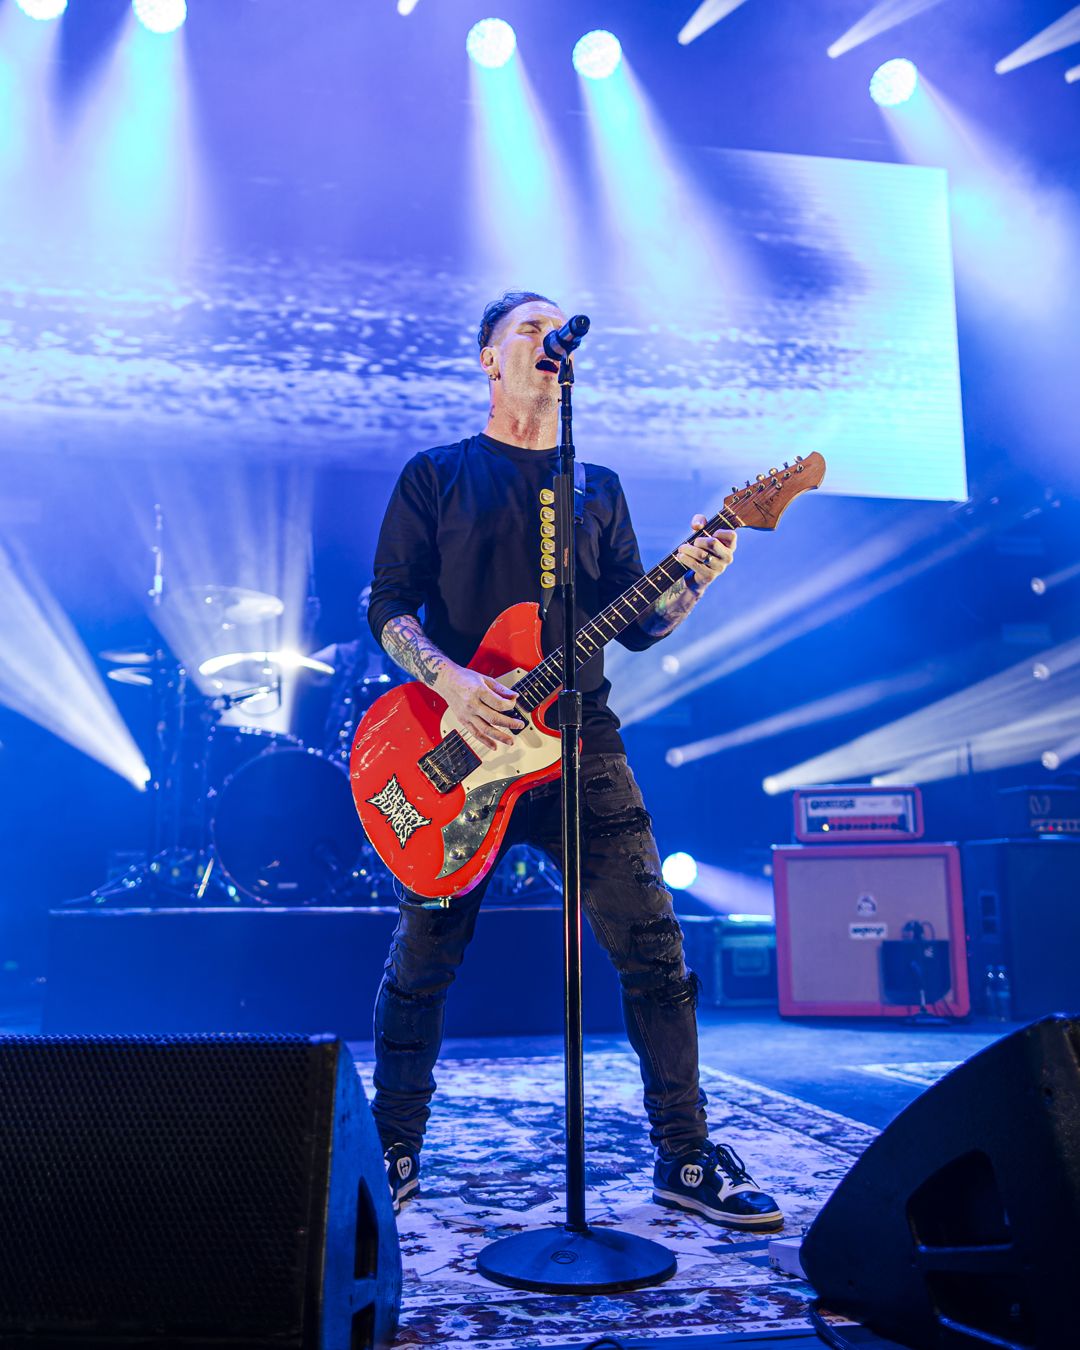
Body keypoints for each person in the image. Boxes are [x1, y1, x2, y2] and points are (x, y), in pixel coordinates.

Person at [365, 290, 782, 1231]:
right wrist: (454, 681)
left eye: (556, 331)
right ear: (488, 357)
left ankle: (683, 1154)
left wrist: (697, 580)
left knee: (655, 952)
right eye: (528, 327)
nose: (547, 341)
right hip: (457, 747)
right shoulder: (436, 475)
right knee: (425, 958)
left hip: (580, 744)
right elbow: (385, 606)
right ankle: (389, 1149)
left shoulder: (597, 487)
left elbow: (641, 628)